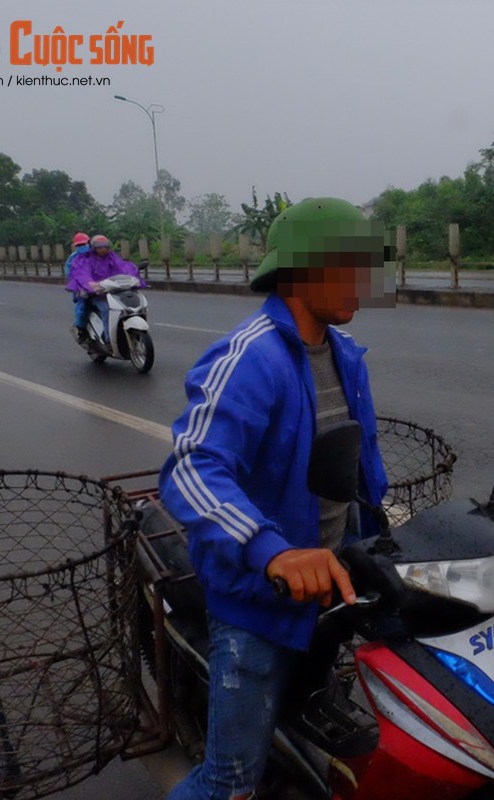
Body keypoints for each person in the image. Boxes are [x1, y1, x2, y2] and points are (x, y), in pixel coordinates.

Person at [158, 197, 396, 800]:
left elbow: (356, 464)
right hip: (258, 604)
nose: (363, 285)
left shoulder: (345, 355)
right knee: (232, 781)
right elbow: (192, 465)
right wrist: (273, 551)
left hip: (330, 589)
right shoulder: (251, 355)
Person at [65, 234, 145, 343]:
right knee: (96, 308)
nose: (102, 249)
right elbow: (81, 273)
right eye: (99, 247)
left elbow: (124, 267)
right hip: (94, 292)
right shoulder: (83, 259)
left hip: (113, 290)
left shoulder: (112, 257)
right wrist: (90, 284)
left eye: (104, 246)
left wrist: (133, 274)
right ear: (93, 247)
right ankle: (107, 339)